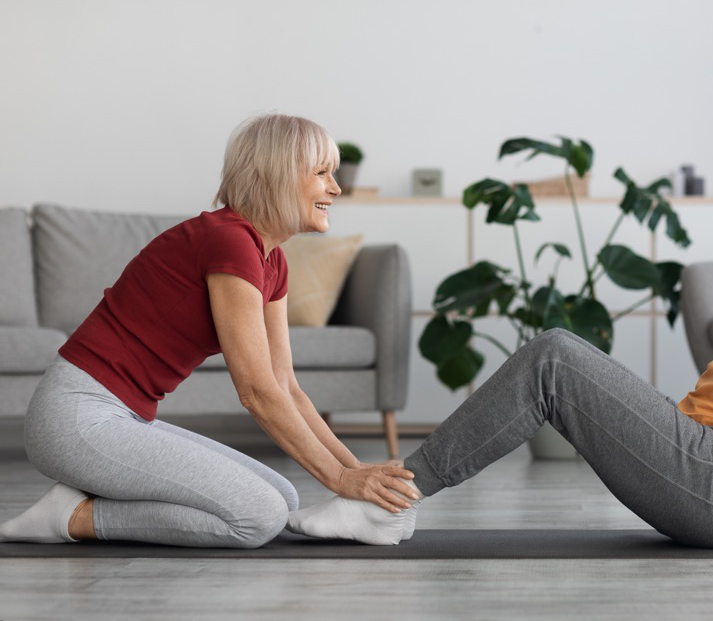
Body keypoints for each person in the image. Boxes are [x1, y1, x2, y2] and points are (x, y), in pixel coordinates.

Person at [291, 119, 713, 549]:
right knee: (556, 362)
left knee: (554, 359)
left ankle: (388, 503)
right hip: (711, 464)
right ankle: (390, 499)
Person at [0, 114, 420, 548]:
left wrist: (354, 478)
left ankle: (81, 499)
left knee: (282, 495)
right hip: (75, 418)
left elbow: (286, 386)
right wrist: (341, 479)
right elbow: (257, 391)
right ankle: (73, 516)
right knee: (258, 517)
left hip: (123, 418)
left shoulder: (272, 260)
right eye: (321, 173)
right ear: (276, 175)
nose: (335, 188)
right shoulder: (229, 241)